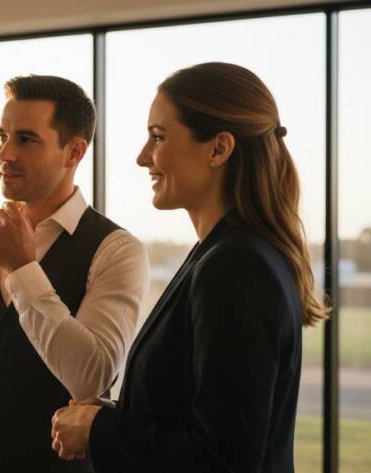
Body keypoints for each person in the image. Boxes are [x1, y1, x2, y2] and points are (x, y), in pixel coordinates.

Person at [50, 62, 330, 473]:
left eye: (158, 137)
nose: (142, 156)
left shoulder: (236, 266)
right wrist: (119, 413)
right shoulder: (220, 252)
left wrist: (100, 429)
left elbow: (223, 460)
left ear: (218, 149)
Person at [0, 75, 149, 473]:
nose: (5, 153)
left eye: (25, 139)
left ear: (73, 152)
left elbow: (91, 379)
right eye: (1, 136)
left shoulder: (117, 251)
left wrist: (23, 269)